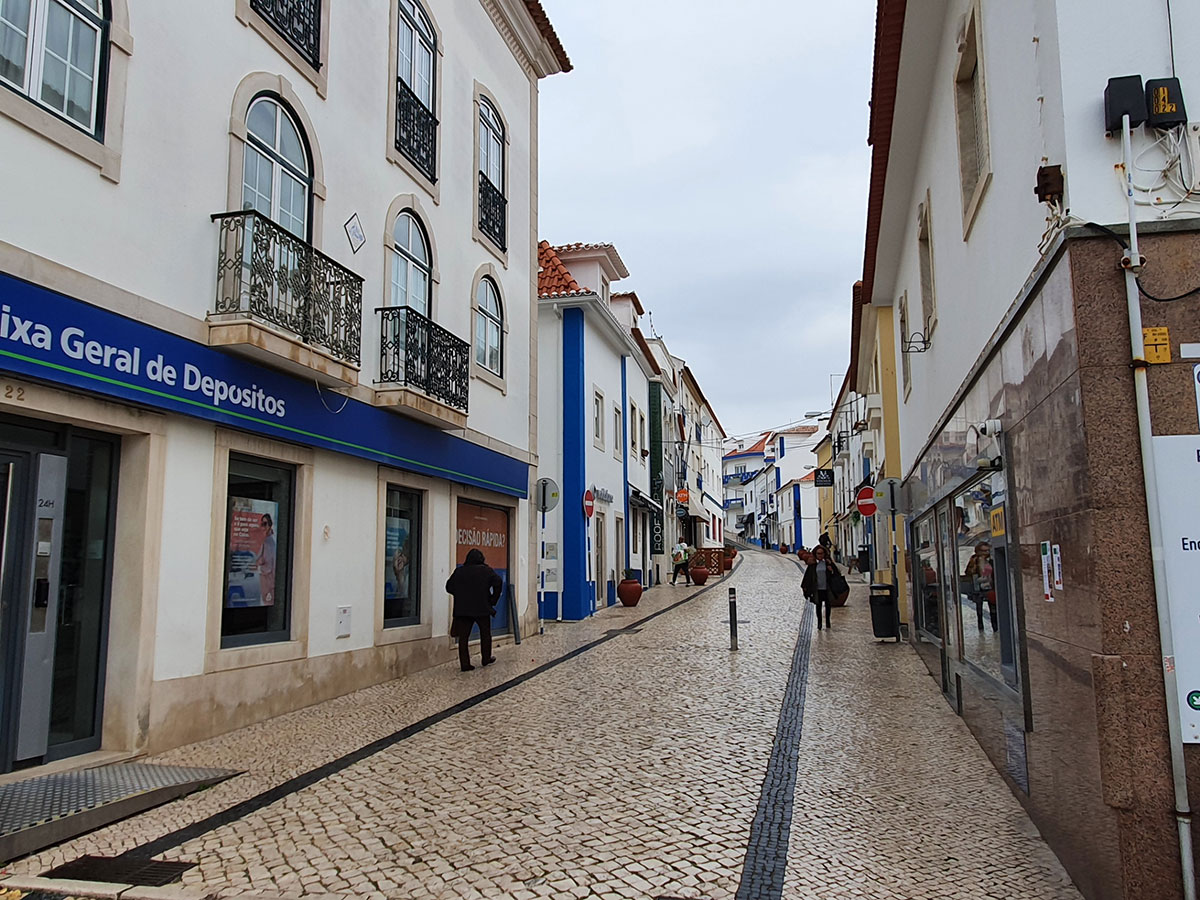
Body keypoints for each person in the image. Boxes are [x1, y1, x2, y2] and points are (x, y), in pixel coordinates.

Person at [445, 548, 503, 671]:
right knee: (485, 634)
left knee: (463, 637)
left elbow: (449, 587)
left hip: (463, 609)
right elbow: (498, 582)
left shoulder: (459, 571)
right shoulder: (486, 571)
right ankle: (486, 658)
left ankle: (465, 664)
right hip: (482, 608)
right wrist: (492, 600)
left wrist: (460, 595)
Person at [801, 544, 841, 630]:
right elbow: (808, 577)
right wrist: (805, 588)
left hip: (827, 588)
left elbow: (837, 574)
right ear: (815, 554)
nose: (820, 555)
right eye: (818, 553)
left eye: (821, 553)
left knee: (828, 605)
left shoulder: (828, 563)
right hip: (817, 589)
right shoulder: (812, 565)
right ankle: (819, 623)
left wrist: (832, 571)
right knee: (818, 606)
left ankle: (827, 622)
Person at [964, 542, 998, 632]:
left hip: (991, 588)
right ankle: (981, 629)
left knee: (993, 610)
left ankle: (996, 629)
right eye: (984, 551)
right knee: (979, 611)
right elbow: (968, 572)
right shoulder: (974, 560)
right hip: (979, 588)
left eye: (987, 550)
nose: (986, 552)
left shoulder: (992, 559)